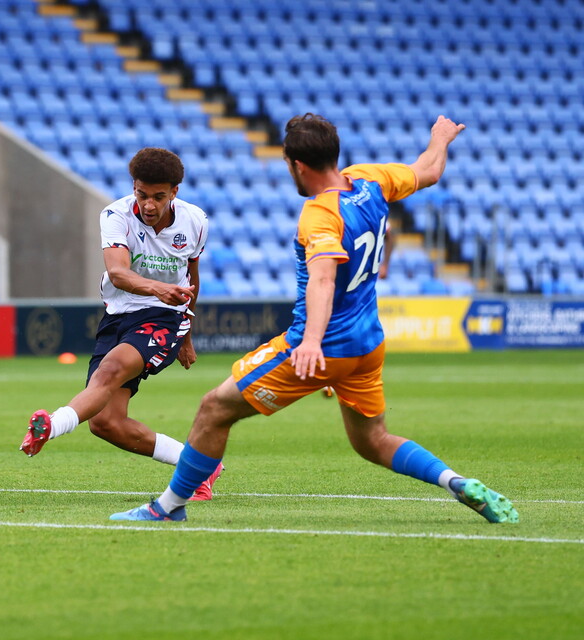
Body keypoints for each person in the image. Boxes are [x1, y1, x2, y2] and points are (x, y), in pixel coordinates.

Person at [110, 114, 519, 523]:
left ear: (298, 165)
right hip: (367, 343)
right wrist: (440, 138)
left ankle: (167, 508)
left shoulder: (320, 214)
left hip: (321, 344)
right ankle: (455, 481)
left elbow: (323, 279)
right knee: (372, 440)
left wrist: (310, 341)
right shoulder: (370, 179)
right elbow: (428, 170)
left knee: (214, 408)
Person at [19, 148, 223, 500]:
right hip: (118, 314)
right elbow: (117, 273)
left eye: (158, 196)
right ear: (133, 187)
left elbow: (192, 278)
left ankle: (50, 426)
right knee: (105, 423)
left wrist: (186, 334)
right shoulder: (115, 215)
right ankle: (200, 466)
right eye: (142, 194)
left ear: (174, 191)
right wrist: (159, 287)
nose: (148, 205)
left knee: (111, 369)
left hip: (165, 315)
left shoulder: (196, 221)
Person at [323, 221, 394, 398]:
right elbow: (390, 233)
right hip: (350, 278)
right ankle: (336, 373)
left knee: (336, 320)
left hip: (351, 280)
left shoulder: (346, 214)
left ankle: (337, 373)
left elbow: (390, 234)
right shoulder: (368, 211)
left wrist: (386, 264)